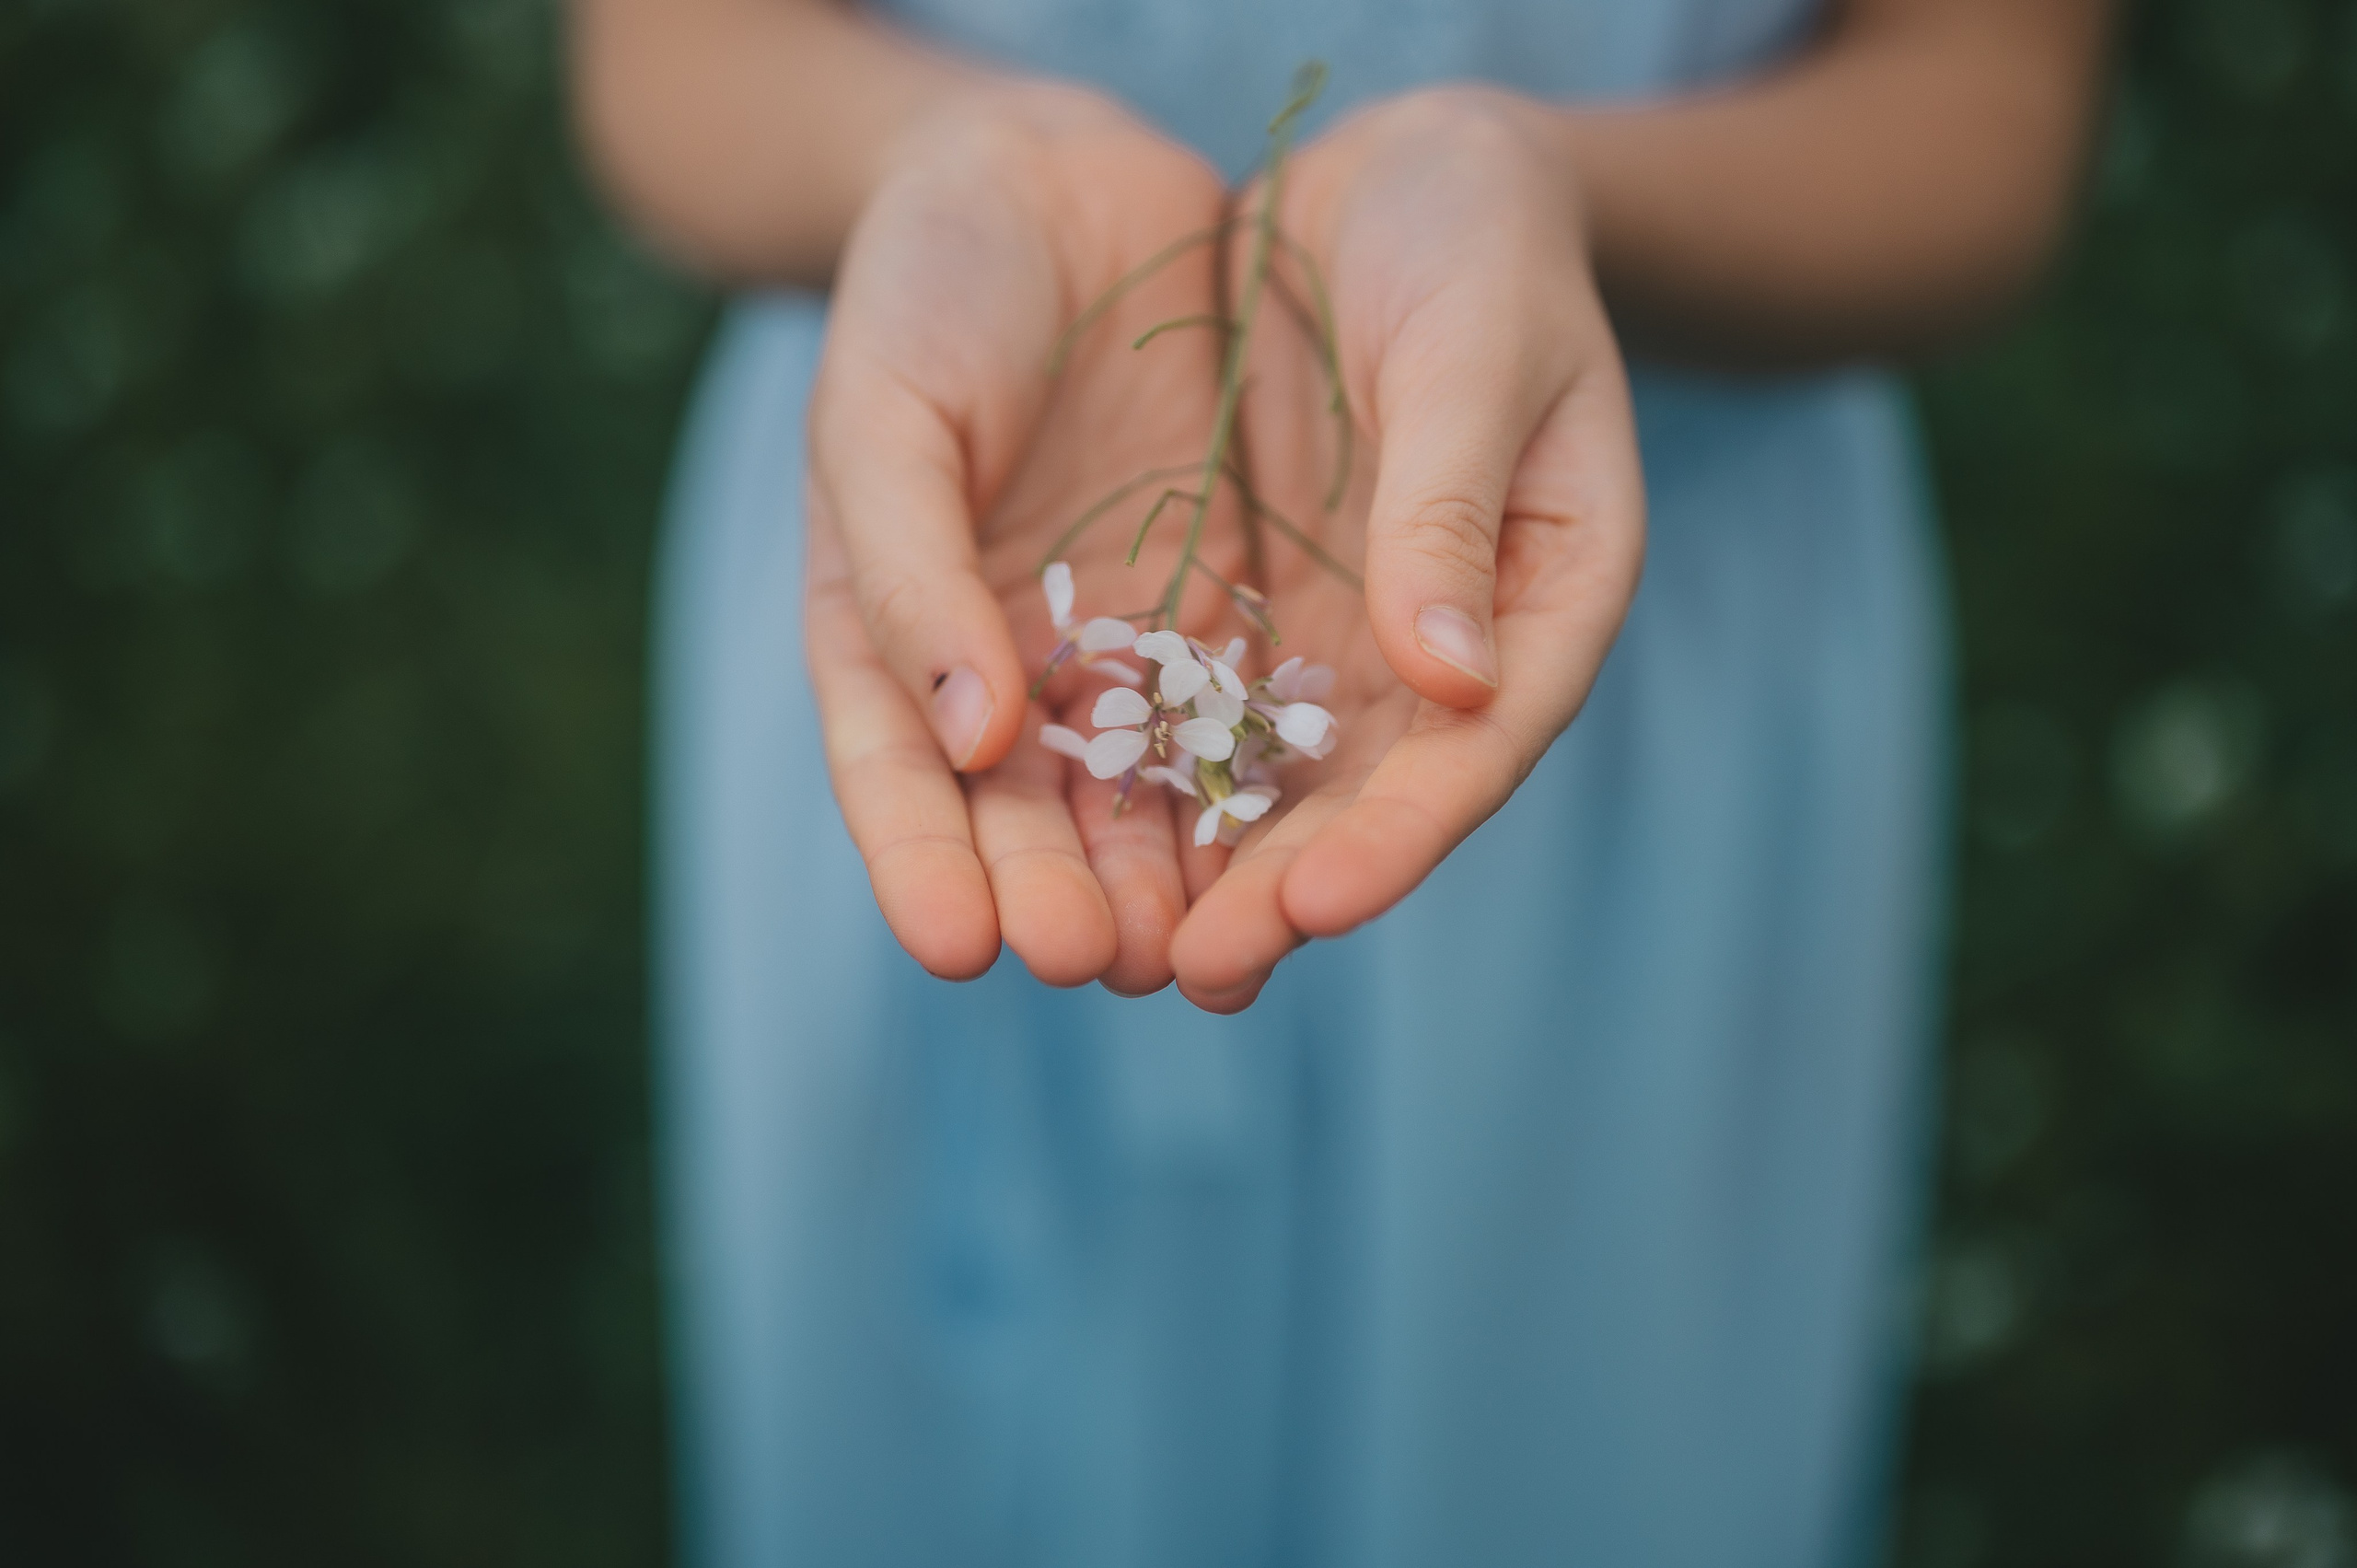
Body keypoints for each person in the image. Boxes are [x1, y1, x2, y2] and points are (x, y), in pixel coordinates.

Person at [569, 0, 2110, 1562]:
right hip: (969, 515)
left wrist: (1534, 184)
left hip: (1607, 627)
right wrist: (952, 155)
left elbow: (1985, 113)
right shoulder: (1076, 669)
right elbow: (672, 60)